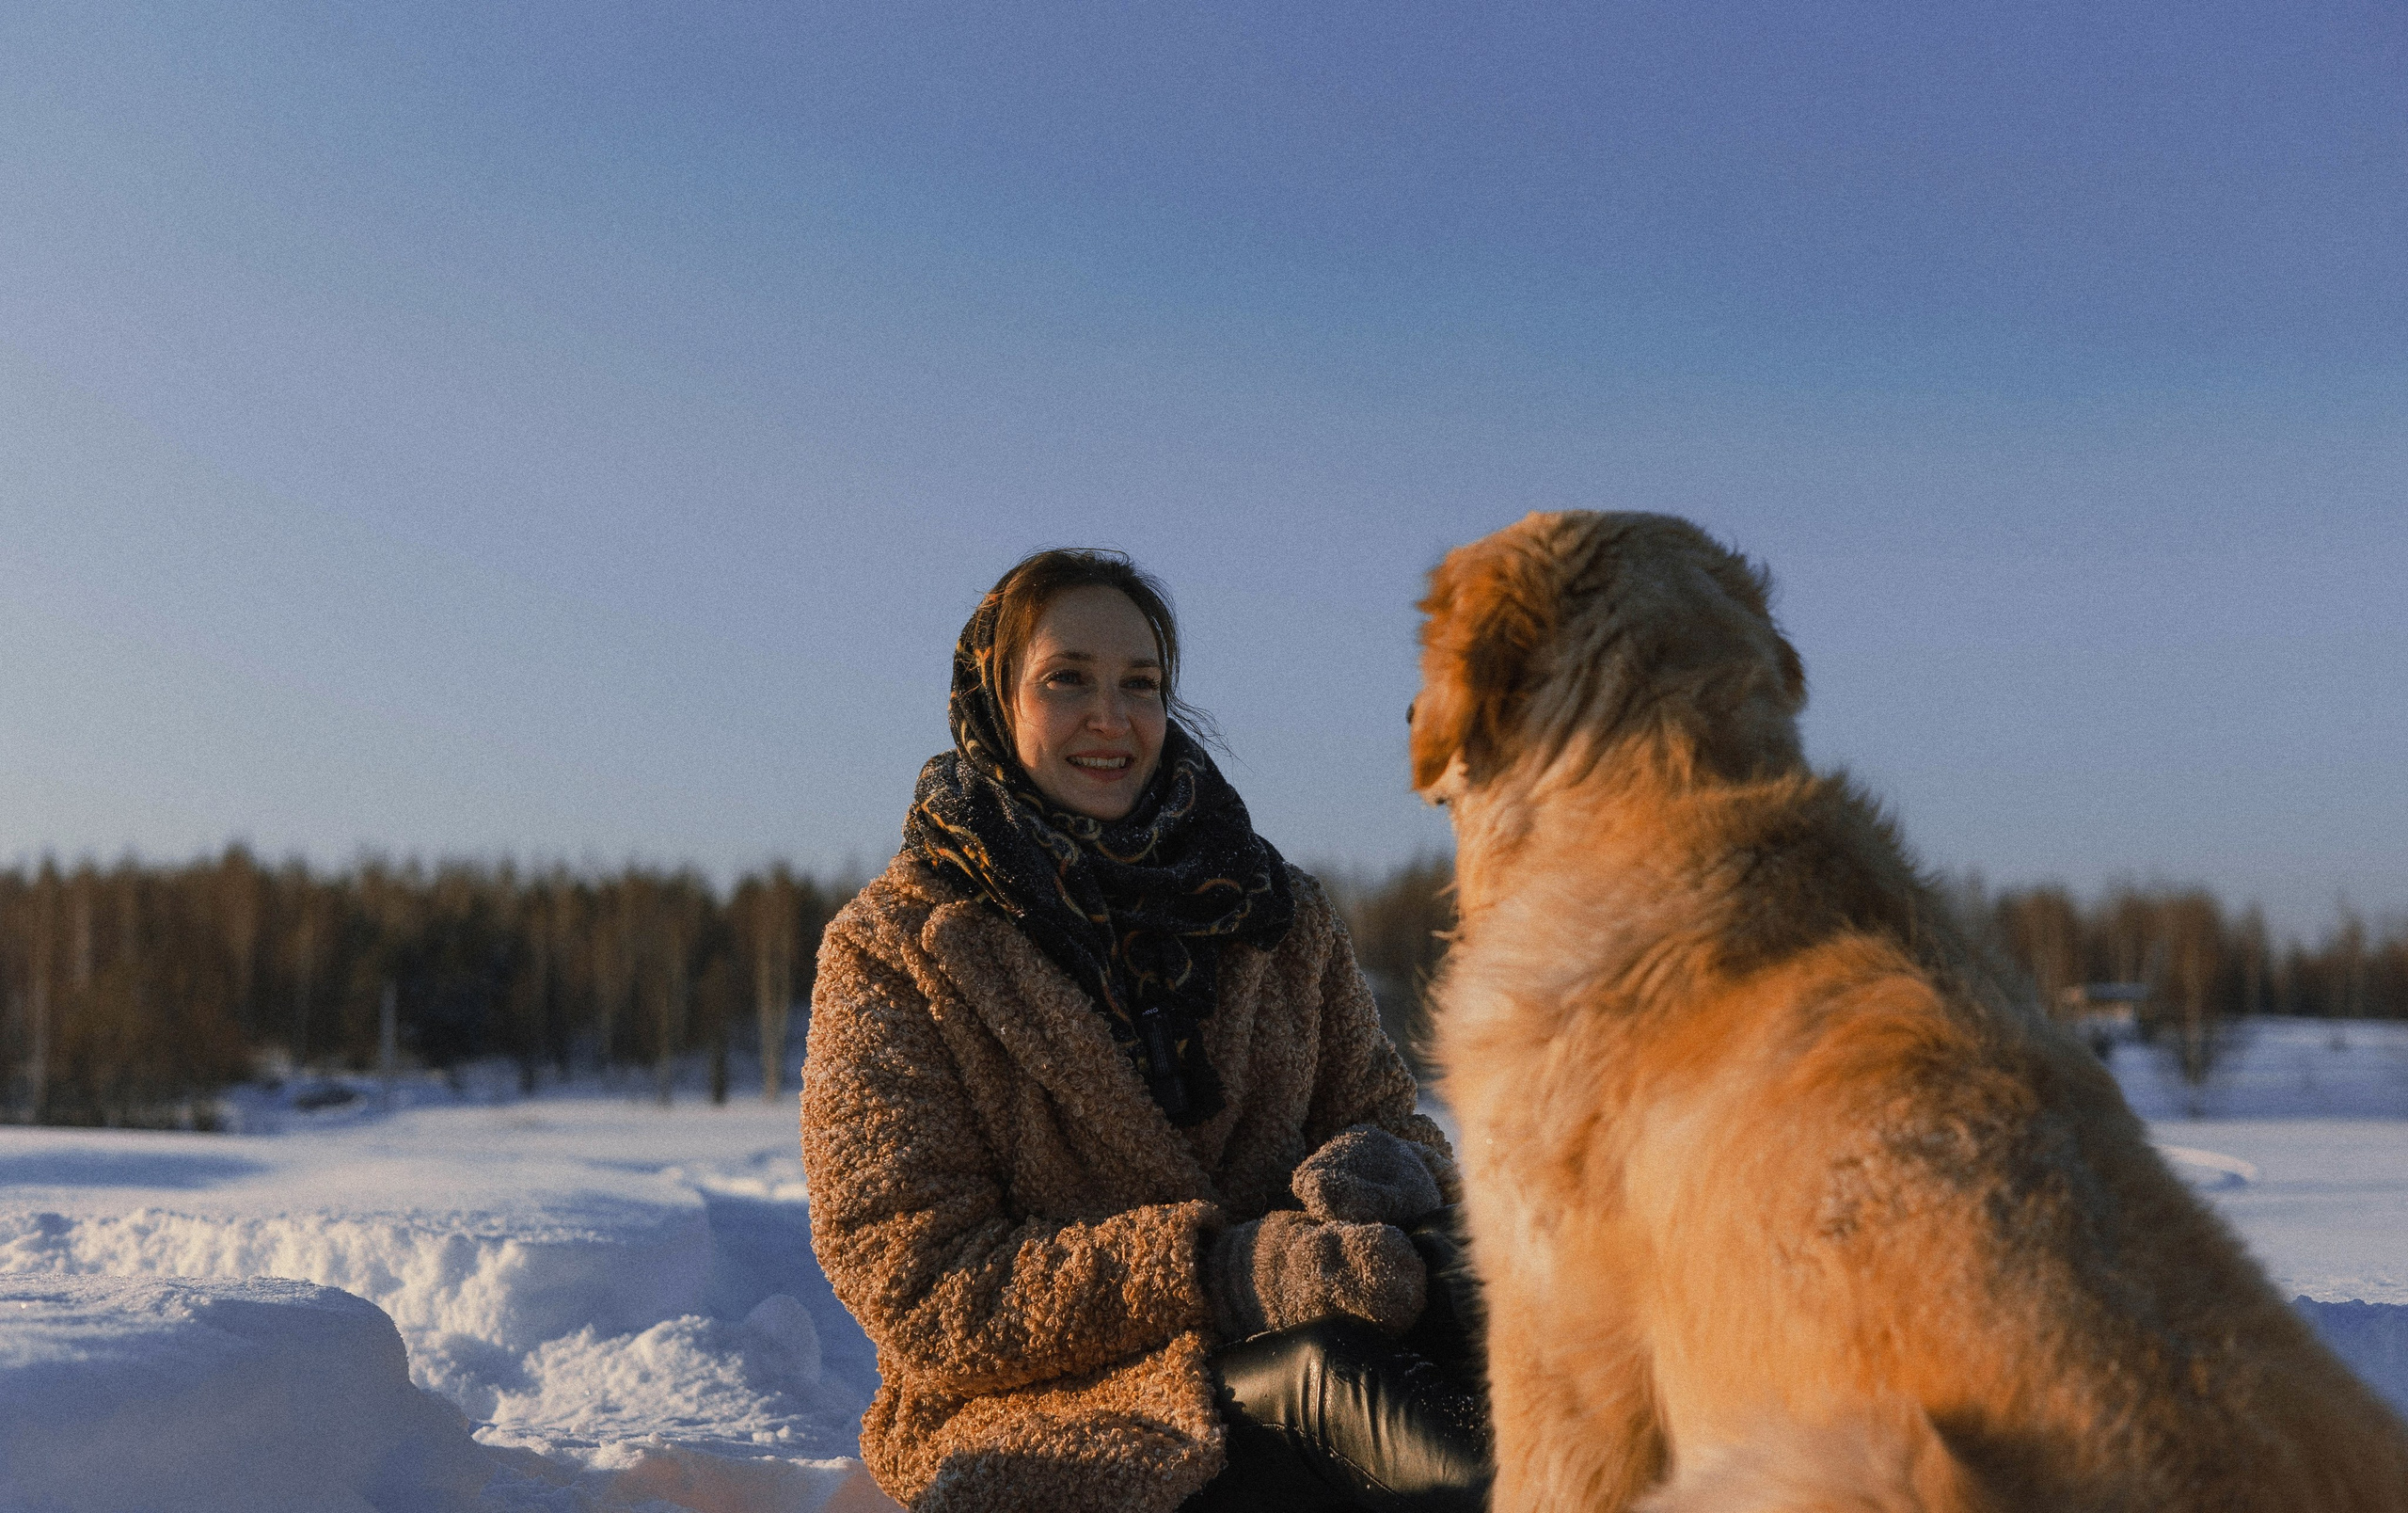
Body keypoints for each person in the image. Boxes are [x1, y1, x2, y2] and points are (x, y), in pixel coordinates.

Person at [800, 549, 1491, 1513]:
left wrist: (1386, 1168)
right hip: (1066, 1405)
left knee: (1514, 1309)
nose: (1111, 717)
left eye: (1141, 683)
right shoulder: (899, 946)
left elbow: (1383, 1117)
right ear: (994, 699)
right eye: (1066, 680)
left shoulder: (1273, 910)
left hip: (1321, 1324)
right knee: (1364, 1400)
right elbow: (921, 1285)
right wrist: (1224, 1275)